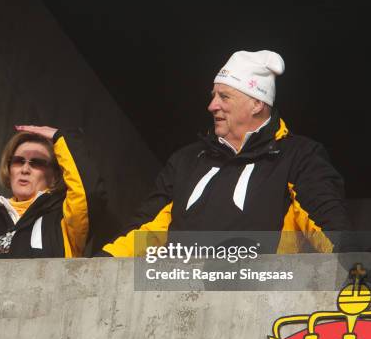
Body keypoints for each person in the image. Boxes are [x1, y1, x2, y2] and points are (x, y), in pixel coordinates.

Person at [101, 50, 349, 256]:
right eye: (213, 96)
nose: (212, 106)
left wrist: (357, 269)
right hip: (178, 299)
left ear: (257, 103)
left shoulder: (297, 155)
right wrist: (102, 265)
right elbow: (145, 229)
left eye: (224, 96)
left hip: (258, 302)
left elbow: (329, 228)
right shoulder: (186, 159)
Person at [0, 125, 104, 259]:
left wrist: (61, 138)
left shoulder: (64, 222)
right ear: (9, 169)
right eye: (18, 161)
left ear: (54, 176)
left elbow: (87, 195)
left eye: (37, 163)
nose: (25, 169)